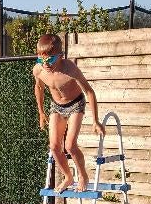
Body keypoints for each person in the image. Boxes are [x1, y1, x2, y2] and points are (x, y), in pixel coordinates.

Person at [33, 34, 105, 193]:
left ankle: (83, 175)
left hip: (75, 104)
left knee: (70, 145)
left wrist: (95, 120)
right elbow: (39, 88)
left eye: (50, 60)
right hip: (56, 106)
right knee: (54, 146)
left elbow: (89, 92)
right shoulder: (38, 70)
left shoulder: (70, 69)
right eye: (40, 59)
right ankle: (68, 177)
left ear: (61, 56)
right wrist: (41, 112)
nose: (45, 64)